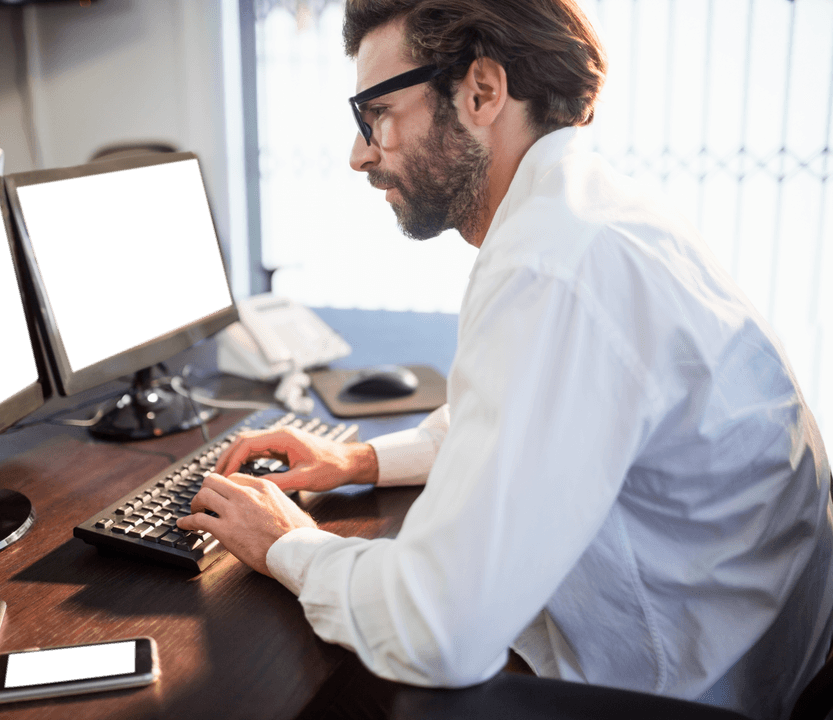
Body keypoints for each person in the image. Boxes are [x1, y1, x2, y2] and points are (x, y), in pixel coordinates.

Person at [177, 1, 833, 716]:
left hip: (698, 690)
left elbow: (437, 631)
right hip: (763, 650)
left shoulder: (551, 265)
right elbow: (546, 411)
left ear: (482, 92)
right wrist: (362, 462)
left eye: (377, 113)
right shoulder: (592, 209)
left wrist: (288, 547)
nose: (360, 153)